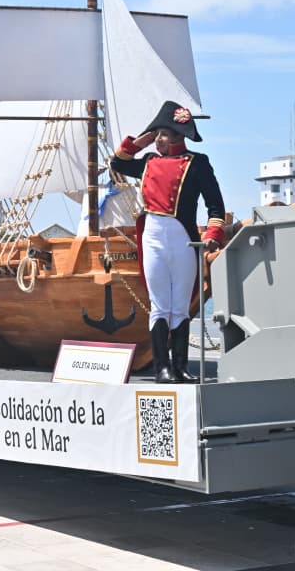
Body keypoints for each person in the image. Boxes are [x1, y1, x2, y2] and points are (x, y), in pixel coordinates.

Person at [110, 100, 227, 384]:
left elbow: (215, 206)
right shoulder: (148, 163)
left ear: (178, 136)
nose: (158, 139)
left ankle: (180, 366)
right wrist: (141, 140)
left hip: (183, 241)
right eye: (157, 134)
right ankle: (162, 368)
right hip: (152, 239)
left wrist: (212, 236)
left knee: (180, 306)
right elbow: (118, 162)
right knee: (160, 305)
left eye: (163, 134)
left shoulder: (197, 163)